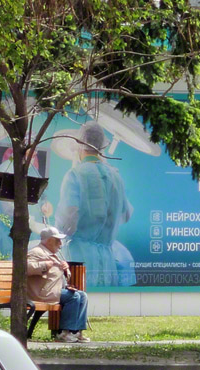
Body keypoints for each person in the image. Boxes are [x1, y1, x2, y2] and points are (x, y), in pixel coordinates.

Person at [57, 121, 136, 287]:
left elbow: (67, 221)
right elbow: (126, 214)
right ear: (101, 146)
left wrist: (56, 234)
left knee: (79, 305)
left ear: (80, 144)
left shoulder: (75, 175)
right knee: (105, 307)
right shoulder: (115, 177)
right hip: (107, 260)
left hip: (77, 259)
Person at [26, 226, 89, 343]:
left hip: (53, 291)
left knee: (83, 295)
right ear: (49, 240)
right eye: (57, 240)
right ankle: (65, 333)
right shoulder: (36, 252)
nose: (60, 244)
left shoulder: (51, 253)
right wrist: (45, 265)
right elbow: (26, 268)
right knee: (74, 297)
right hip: (42, 293)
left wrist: (65, 269)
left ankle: (76, 332)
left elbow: (58, 274)